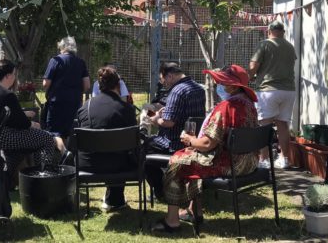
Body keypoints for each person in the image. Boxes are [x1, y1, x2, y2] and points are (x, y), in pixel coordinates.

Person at [151, 65, 259, 233]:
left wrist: (190, 139)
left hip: (231, 164)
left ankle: (172, 221)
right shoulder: (249, 104)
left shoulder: (226, 107)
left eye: (223, 81)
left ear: (234, 85)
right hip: (249, 161)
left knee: (177, 161)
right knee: (190, 157)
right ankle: (195, 210)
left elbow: (207, 144)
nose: (218, 83)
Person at [0, 59, 66, 172]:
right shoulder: (6, 95)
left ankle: (27, 174)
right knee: (46, 138)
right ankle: (43, 175)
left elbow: (2, 114)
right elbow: (22, 123)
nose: (14, 78)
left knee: (38, 136)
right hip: (2, 138)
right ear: (7, 76)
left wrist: (23, 115)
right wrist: (32, 124)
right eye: (14, 74)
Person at [76, 66, 138, 212]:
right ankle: (115, 200)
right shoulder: (127, 109)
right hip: (120, 166)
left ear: (99, 85)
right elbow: (133, 143)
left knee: (112, 152)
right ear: (118, 85)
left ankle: (114, 199)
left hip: (88, 163)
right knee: (119, 153)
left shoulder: (86, 107)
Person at [145, 62, 205, 200]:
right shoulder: (198, 88)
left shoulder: (177, 91)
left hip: (174, 143)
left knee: (141, 148)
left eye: (163, 79)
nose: (163, 83)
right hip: (193, 142)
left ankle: (161, 191)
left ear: (170, 76)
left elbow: (168, 123)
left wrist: (155, 119)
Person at [249, 20, 297, 169]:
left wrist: (248, 78)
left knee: (265, 124)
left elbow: (253, 67)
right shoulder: (290, 47)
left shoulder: (264, 44)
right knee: (283, 124)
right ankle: (284, 159)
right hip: (289, 90)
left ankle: (264, 160)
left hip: (268, 90)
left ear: (268, 31)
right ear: (283, 32)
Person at [42, 36, 90, 137]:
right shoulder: (81, 62)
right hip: (75, 101)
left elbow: (45, 84)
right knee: (71, 130)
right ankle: (69, 149)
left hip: (57, 102)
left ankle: (58, 151)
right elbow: (87, 85)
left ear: (62, 47)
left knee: (53, 131)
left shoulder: (55, 60)